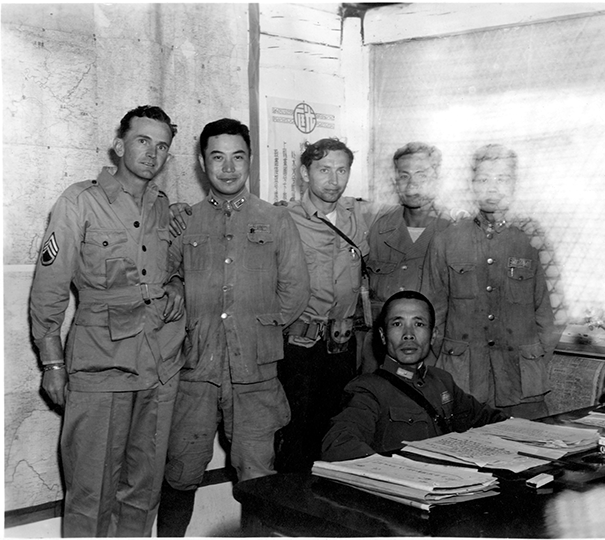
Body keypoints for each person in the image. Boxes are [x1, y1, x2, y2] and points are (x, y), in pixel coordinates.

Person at [29, 105, 186, 537]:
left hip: (158, 363)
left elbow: (163, 267)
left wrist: (174, 285)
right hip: (101, 365)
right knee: (90, 491)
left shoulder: (161, 205)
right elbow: (49, 287)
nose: (152, 153)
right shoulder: (79, 201)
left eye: (162, 146)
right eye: (142, 141)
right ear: (119, 146)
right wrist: (52, 362)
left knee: (142, 489)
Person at [157, 118, 310, 536]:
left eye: (237, 157)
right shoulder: (184, 221)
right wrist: (174, 283)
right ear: (202, 163)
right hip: (194, 371)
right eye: (217, 157)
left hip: (256, 375)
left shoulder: (276, 220)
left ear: (250, 161)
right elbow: (162, 275)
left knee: (258, 479)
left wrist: (258, 330)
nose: (228, 168)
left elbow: (295, 292)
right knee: (180, 472)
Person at [422, 144, 558, 420]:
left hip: (521, 383)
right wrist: (446, 364)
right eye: (483, 179)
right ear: (472, 185)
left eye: (502, 179)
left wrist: (534, 358)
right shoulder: (447, 240)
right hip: (463, 380)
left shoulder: (531, 238)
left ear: (515, 184)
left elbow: (549, 310)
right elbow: (431, 312)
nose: (492, 188)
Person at [275, 138, 372, 473]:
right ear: (305, 173)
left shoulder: (358, 216)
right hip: (299, 348)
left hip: (343, 348)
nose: (334, 179)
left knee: (336, 438)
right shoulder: (283, 219)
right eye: (324, 170)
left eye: (342, 170)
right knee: (295, 439)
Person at [322, 291, 508, 461]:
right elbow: (339, 444)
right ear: (383, 335)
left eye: (418, 324)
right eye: (397, 324)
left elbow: (492, 421)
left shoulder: (442, 381)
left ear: (433, 335)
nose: (408, 335)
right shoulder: (368, 390)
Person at [362, 142, 452, 373]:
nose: (412, 184)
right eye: (404, 175)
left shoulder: (455, 231)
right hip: (380, 357)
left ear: (437, 178)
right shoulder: (378, 228)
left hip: (433, 358)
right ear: (395, 181)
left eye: (421, 175)